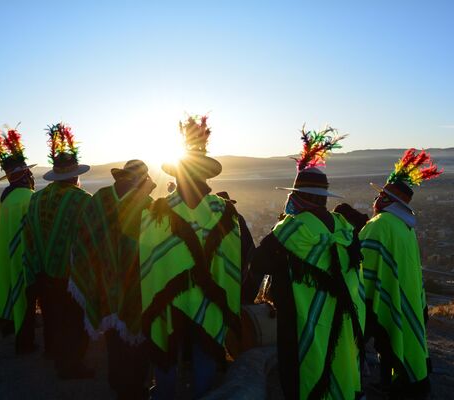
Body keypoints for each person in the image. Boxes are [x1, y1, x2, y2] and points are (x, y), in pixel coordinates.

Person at [250, 126, 365, 399]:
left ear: (298, 197)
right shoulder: (344, 229)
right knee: (336, 364)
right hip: (342, 316)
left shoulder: (290, 230)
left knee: (301, 372)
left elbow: (258, 264)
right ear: (324, 198)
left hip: (300, 319)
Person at [140, 115, 241, 399]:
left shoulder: (156, 211)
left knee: (168, 366)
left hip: (168, 304)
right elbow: (233, 263)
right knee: (205, 366)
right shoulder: (226, 212)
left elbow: (150, 261)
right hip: (210, 303)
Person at [69, 159, 156, 399]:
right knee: (137, 339)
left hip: (104, 282)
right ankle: (136, 388)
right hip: (136, 284)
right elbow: (152, 248)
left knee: (114, 339)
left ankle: (117, 383)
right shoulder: (146, 203)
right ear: (142, 178)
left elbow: (84, 238)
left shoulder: (99, 199)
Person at [360, 149, 442, 399]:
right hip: (406, 298)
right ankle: (395, 383)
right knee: (398, 341)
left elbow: (360, 263)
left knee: (387, 339)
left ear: (387, 201)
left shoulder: (380, 225)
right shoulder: (405, 227)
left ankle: (393, 387)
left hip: (387, 300)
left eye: (380, 196)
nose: (376, 201)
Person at [22, 122, 93, 378]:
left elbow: (28, 233)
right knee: (73, 320)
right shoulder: (83, 200)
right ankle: (70, 364)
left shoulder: (36, 198)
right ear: (75, 176)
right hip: (70, 274)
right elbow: (92, 237)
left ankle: (52, 351)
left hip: (42, 270)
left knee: (52, 314)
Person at [0, 127, 36, 353]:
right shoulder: (29, 197)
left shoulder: (5, 196)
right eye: (29, 174)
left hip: (6, 252)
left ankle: (7, 322)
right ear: (26, 175)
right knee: (25, 296)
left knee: (9, 286)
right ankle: (24, 343)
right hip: (24, 256)